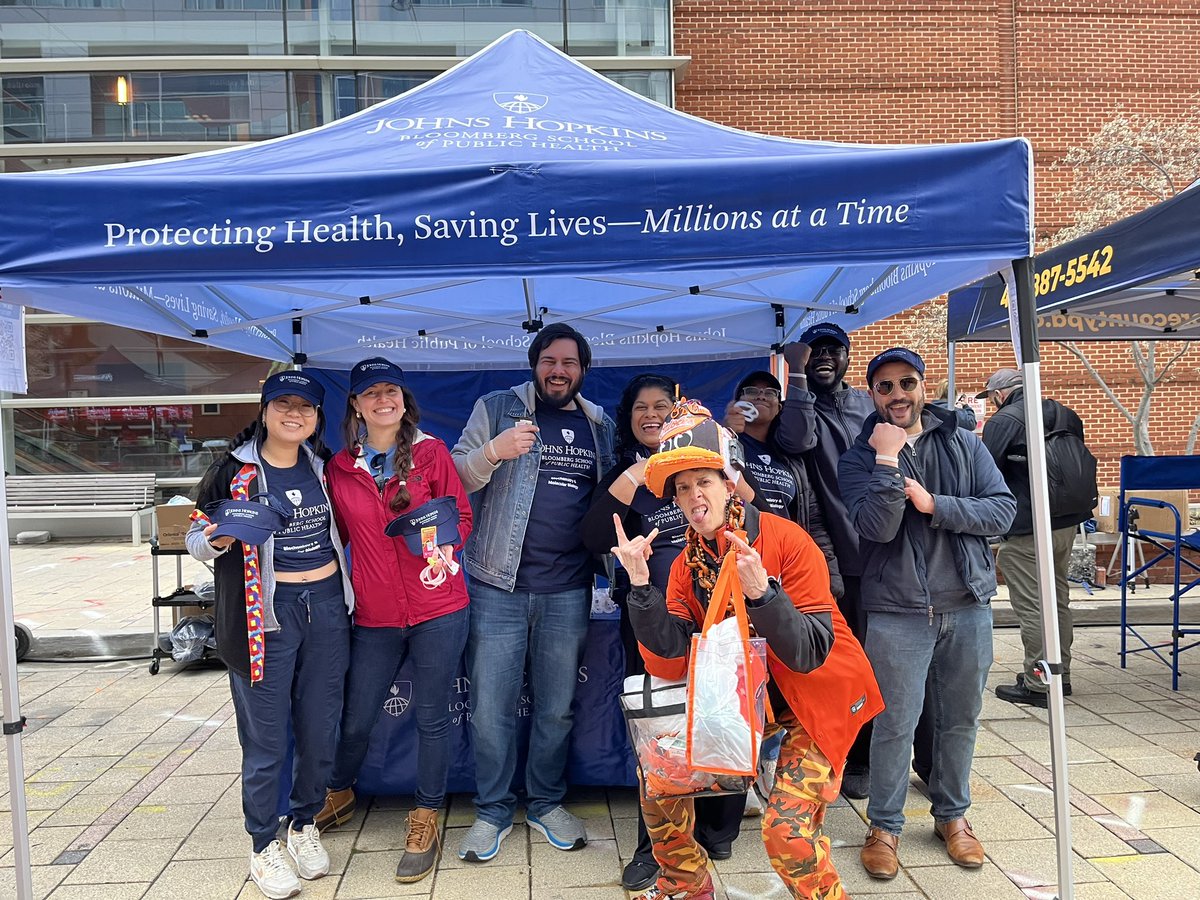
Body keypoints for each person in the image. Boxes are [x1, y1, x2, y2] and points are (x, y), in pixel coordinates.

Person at [613, 398, 882, 900]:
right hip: (745, 704)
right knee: (658, 781)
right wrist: (641, 587)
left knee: (787, 832)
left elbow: (809, 654)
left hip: (815, 700)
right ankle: (687, 886)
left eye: (704, 481)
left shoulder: (788, 541)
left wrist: (763, 593)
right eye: (683, 487)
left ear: (730, 483)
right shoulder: (682, 567)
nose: (694, 496)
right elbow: (671, 660)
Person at [838, 348, 1015, 880]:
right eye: (885, 387)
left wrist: (936, 504)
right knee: (894, 723)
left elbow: (1003, 509)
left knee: (960, 719)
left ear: (923, 386)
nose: (897, 395)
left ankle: (953, 818)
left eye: (906, 383)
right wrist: (888, 462)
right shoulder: (858, 458)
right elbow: (877, 529)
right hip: (896, 611)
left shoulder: (963, 442)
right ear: (872, 394)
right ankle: (885, 826)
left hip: (967, 605)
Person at [451, 323, 615, 862]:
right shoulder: (497, 408)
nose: (558, 370)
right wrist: (494, 452)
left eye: (569, 362)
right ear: (534, 364)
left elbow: (609, 502)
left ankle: (545, 802)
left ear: (583, 370)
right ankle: (493, 809)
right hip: (497, 583)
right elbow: (453, 479)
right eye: (549, 360)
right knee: (491, 707)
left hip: (568, 590)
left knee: (555, 709)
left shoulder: (600, 425)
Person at [187, 371, 353, 900]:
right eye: (283, 404)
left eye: (305, 407)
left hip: (327, 607)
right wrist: (216, 541)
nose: (294, 414)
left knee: (320, 727)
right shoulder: (232, 471)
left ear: (317, 417)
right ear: (263, 410)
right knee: (266, 738)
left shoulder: (327, 469)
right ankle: (262, 844)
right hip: (265, 616)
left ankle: (303, 824)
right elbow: (193, 535)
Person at [580, 374, 749, 890]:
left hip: (724, 613)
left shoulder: (712, 459)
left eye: (661, 406)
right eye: (640, 409)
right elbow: (591, 537)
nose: (651, 415)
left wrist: (720, 458)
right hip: (654, 616)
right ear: (628, 419)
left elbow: (755, 510)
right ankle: (654, 845)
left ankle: (720, 826)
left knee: (728, 712)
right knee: (661, 730)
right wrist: (636, 474)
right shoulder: (626, 474)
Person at [315, 357, 472, 883]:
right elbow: (333, 536)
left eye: (392, 391)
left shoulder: (431, 454)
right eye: (372, 393)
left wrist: (443, 551)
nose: (384, 400)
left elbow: (460, 517)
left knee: (432, 717)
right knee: (357, 716)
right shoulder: (339, 468)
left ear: (404, 400)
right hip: (376, 614)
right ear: (356, 405)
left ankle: (426, 816)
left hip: (439, 608)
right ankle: (338, 792)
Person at [772, 322, 877, 799]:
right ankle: (849, 757)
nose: (825, 358)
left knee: (883, 664)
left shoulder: (866, 405)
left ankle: (875, 757)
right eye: (815, 352)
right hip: (835, 560)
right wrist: (794, 374)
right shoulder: (799, 406)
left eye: (835, 350)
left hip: (886, 554)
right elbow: (796, 440)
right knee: (841, 667)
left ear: (849, 356)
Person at [978, 368, 1094, 707]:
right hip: (1066, 523)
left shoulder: (1004, 421)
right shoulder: (1063, 412)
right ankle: (1061, 674)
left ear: (1000, 394)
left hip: (1028, 528)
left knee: (1032, 607)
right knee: (1057, 601)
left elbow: (985, 472)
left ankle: (1039, 683)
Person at [724, 370, 842, 599]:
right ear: (736, 403)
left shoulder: (791, 457)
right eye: (751, 391)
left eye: (770, 392)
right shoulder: (725, 445)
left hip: (790, 558)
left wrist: (830, 571)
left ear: (779, 407)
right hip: (742, 558)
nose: (761, 396)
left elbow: (813, 519)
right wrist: (728, 434)